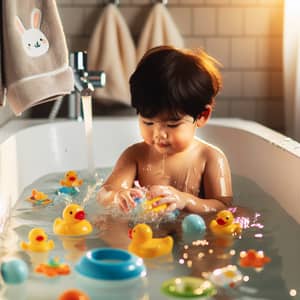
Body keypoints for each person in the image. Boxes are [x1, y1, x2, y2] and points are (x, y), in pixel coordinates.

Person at [97, 45, 233, 215]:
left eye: (172, 125)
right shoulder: (135, 156)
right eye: (148, 123)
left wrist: (185, 200)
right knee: (107, 224)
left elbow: (222, 206)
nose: (158, 134)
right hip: (145, 234)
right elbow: (105, 193)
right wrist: (118, 197)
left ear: (202, 116)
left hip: (193, 232)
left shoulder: (210, 159)